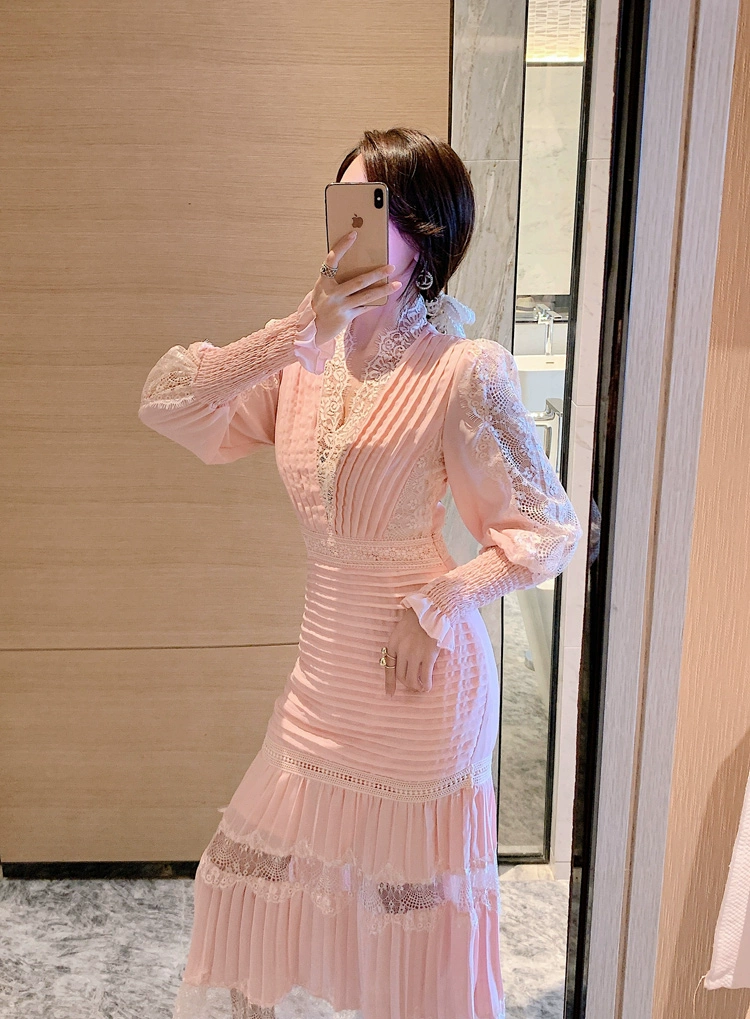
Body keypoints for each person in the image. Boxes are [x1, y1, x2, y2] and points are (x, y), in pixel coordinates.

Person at [138, 126, 583, 1019]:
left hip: (419, 687)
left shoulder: (464, 371)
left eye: (374, 209)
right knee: (248, 882)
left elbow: (548, 530)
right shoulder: (302, 361)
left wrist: (441, 600)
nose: (349, 229)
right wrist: (295, 332)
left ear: (425, 238)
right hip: (322, 681)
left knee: (410, 932)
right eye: (341, 202)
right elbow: (168, 402)